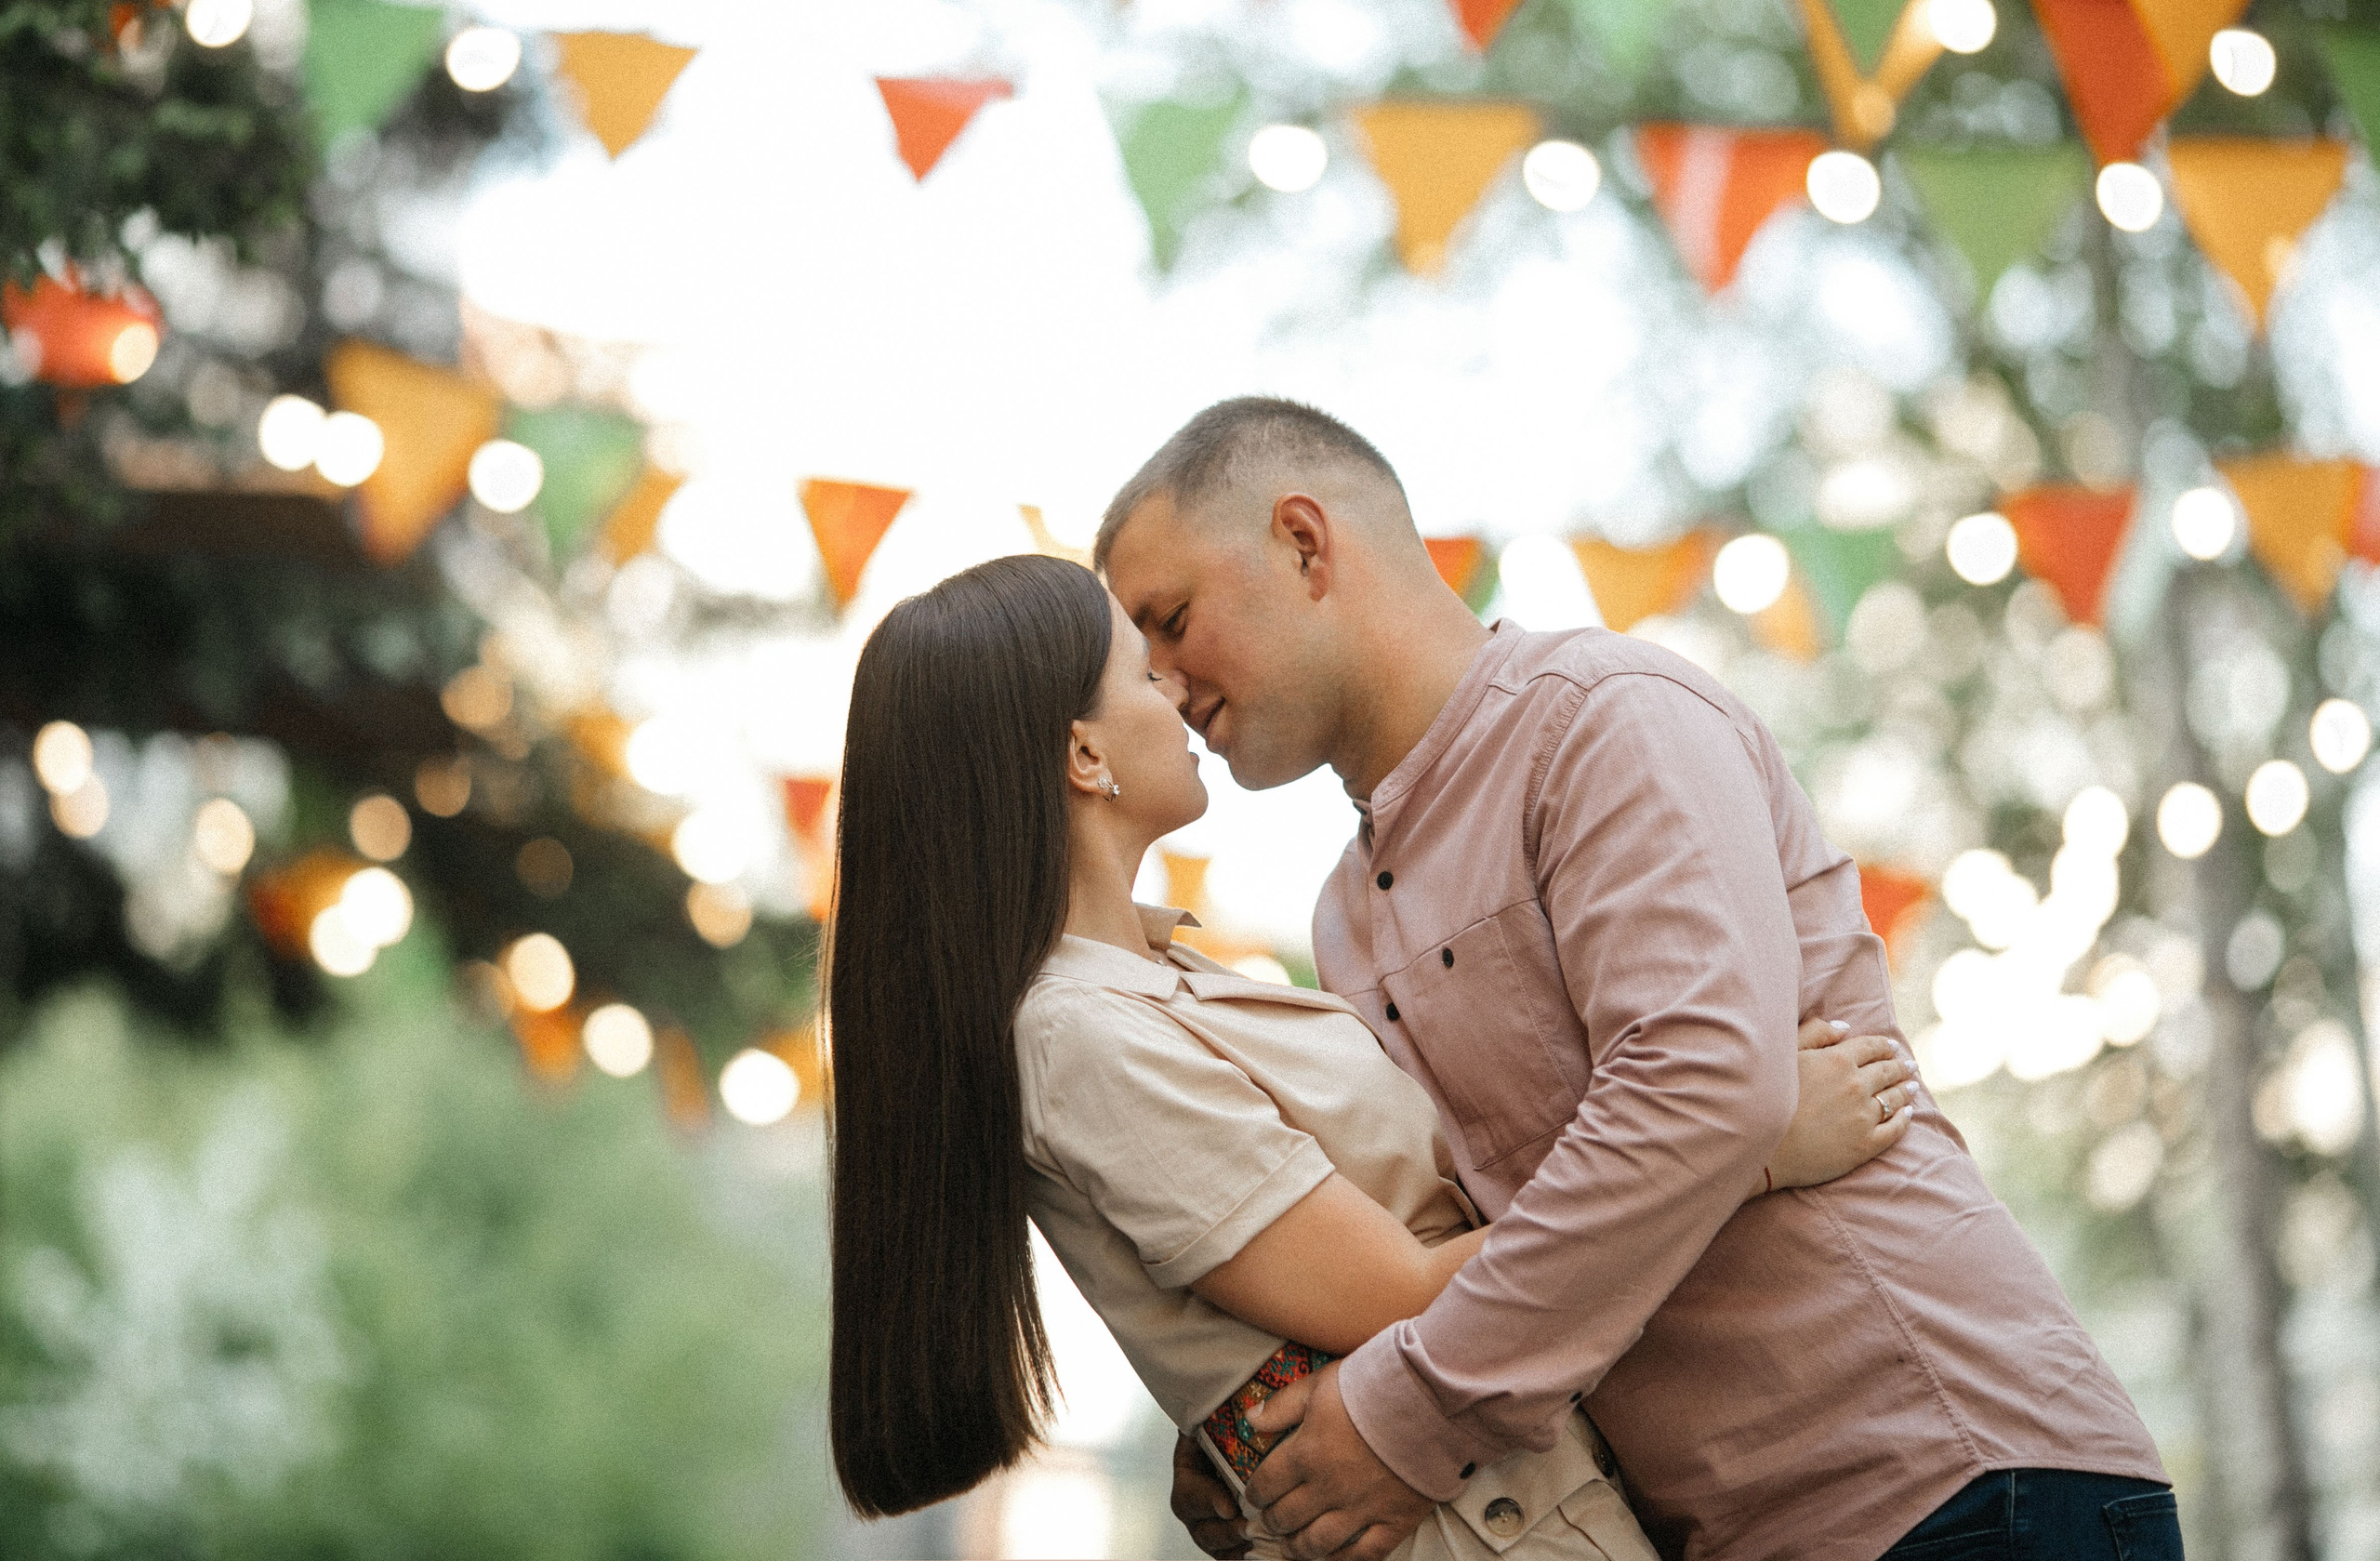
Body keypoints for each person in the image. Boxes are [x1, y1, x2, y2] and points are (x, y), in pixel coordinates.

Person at [1099, 398, 2180, 1561]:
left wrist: (1406, 1417)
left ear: (1304, 544)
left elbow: (1701, 1088)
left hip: (1952, 1486)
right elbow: (1442, 1240)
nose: (1161, 683)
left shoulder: (1600, 719)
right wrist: (1258, 1413)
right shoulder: (1345, 916)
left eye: (1171, 620)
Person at [824, 554, 1918, 1560]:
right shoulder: (1079, 1033)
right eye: (1141, 670)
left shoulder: (1162, 981)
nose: (1177, 687)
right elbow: (1400, 1292)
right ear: (1083, 753)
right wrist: (1743, 1147)